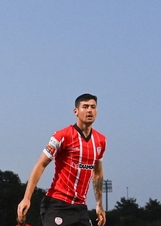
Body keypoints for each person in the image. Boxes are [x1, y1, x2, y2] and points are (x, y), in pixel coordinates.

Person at [17, 94, 106, 226]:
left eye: (93, 107)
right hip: (57, 205)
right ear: (76, 111)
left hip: (80, 208)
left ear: (97, 112)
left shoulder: (100, 141)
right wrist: (26, 198)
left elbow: (97, 173)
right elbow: (41, 164)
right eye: (85, 107)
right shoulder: (62, 136)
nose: (89, 110)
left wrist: (99, 204)